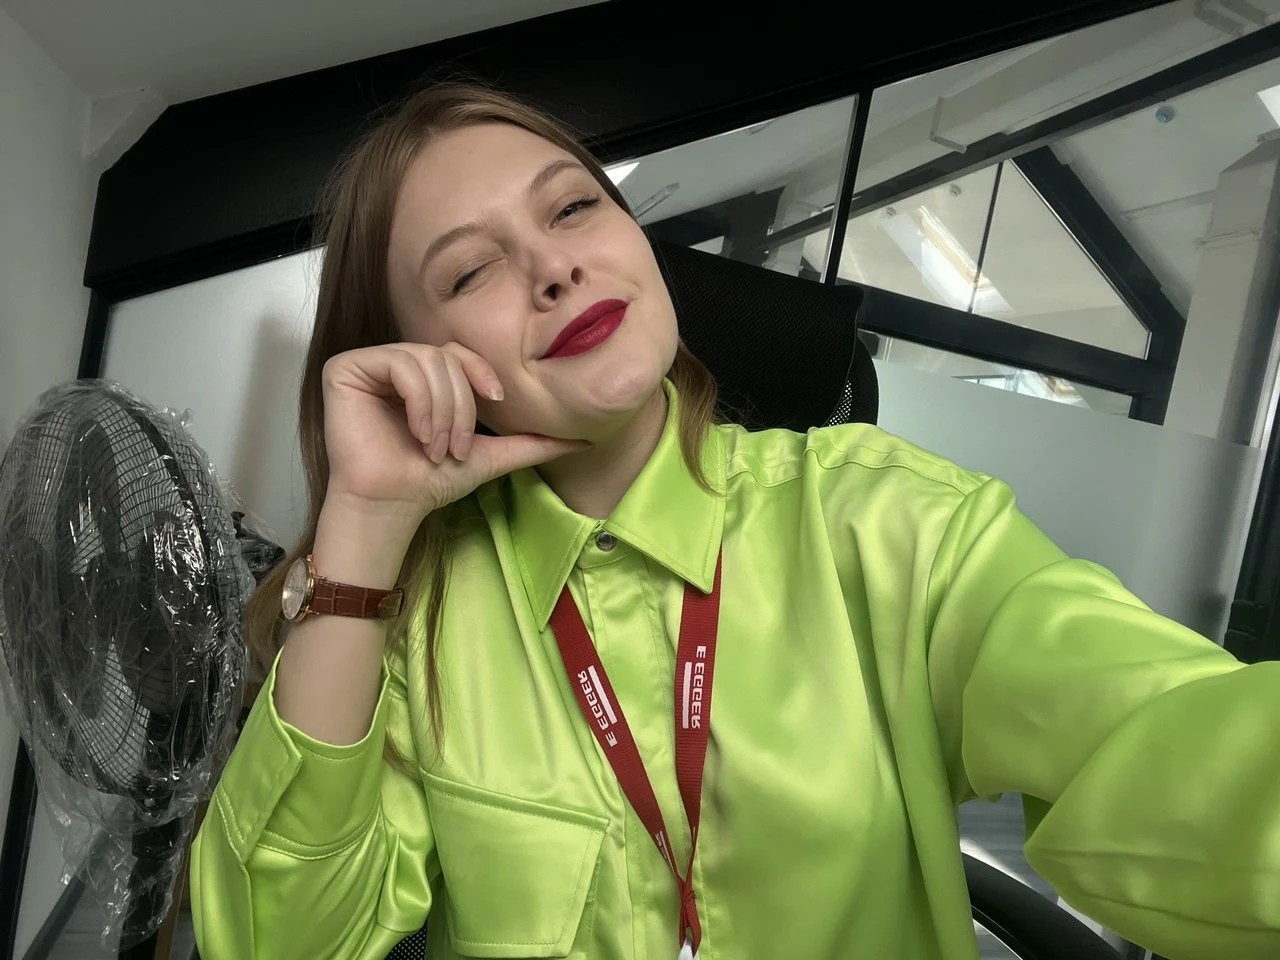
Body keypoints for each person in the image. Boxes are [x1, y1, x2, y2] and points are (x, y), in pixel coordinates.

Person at [189, 82, 1280, 960]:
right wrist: (367, 523)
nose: (554, 266)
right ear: (416, 359)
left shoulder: (887, 523)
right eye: (472, 270)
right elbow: (283, 940)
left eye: (573, 208)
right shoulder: (417, 626)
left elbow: (1165, 751)